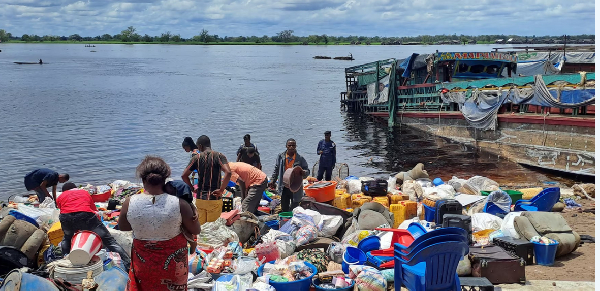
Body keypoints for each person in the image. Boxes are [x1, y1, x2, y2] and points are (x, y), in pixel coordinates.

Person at [119, 156, 200, 291]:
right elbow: (196, 230)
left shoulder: (130, 202)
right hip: (173, 267)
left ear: (143, 179)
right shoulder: (180, 204)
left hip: (143, 265)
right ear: (165, 179)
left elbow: (123, 226)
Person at [57, 182, 131, 271]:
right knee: (109, 241)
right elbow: (94, 210)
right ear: (75, 188)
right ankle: (128, 264)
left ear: (64, 190)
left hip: (66, 218)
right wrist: (97, 223)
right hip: (85, 215)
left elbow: (63, 211)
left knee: (67, 238)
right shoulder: (84, 192)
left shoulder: (60, 196)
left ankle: (65, 262)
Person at [182, 135, 231, 225]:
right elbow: (228, 173)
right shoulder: (219, 156)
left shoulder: (196, 158)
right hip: (214, 198)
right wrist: (221, 190)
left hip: (201, 199)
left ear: (200, 146)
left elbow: (184, 176)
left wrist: (192, 188)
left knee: (201, 229)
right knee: (213, 229)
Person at [268, 139, 310, 212]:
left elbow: (307, 170)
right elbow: (276, 169)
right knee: (284, 206)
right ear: (286, 146)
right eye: (289, 145)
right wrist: (272, 180)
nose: (291, 147)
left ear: (296, 146)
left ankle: (293, 219)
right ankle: (286, 219)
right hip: (284, 185)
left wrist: (304, 172)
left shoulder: (300, 158)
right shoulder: (281, 157)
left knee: (295, 205)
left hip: (295, 186)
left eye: (293, 145)